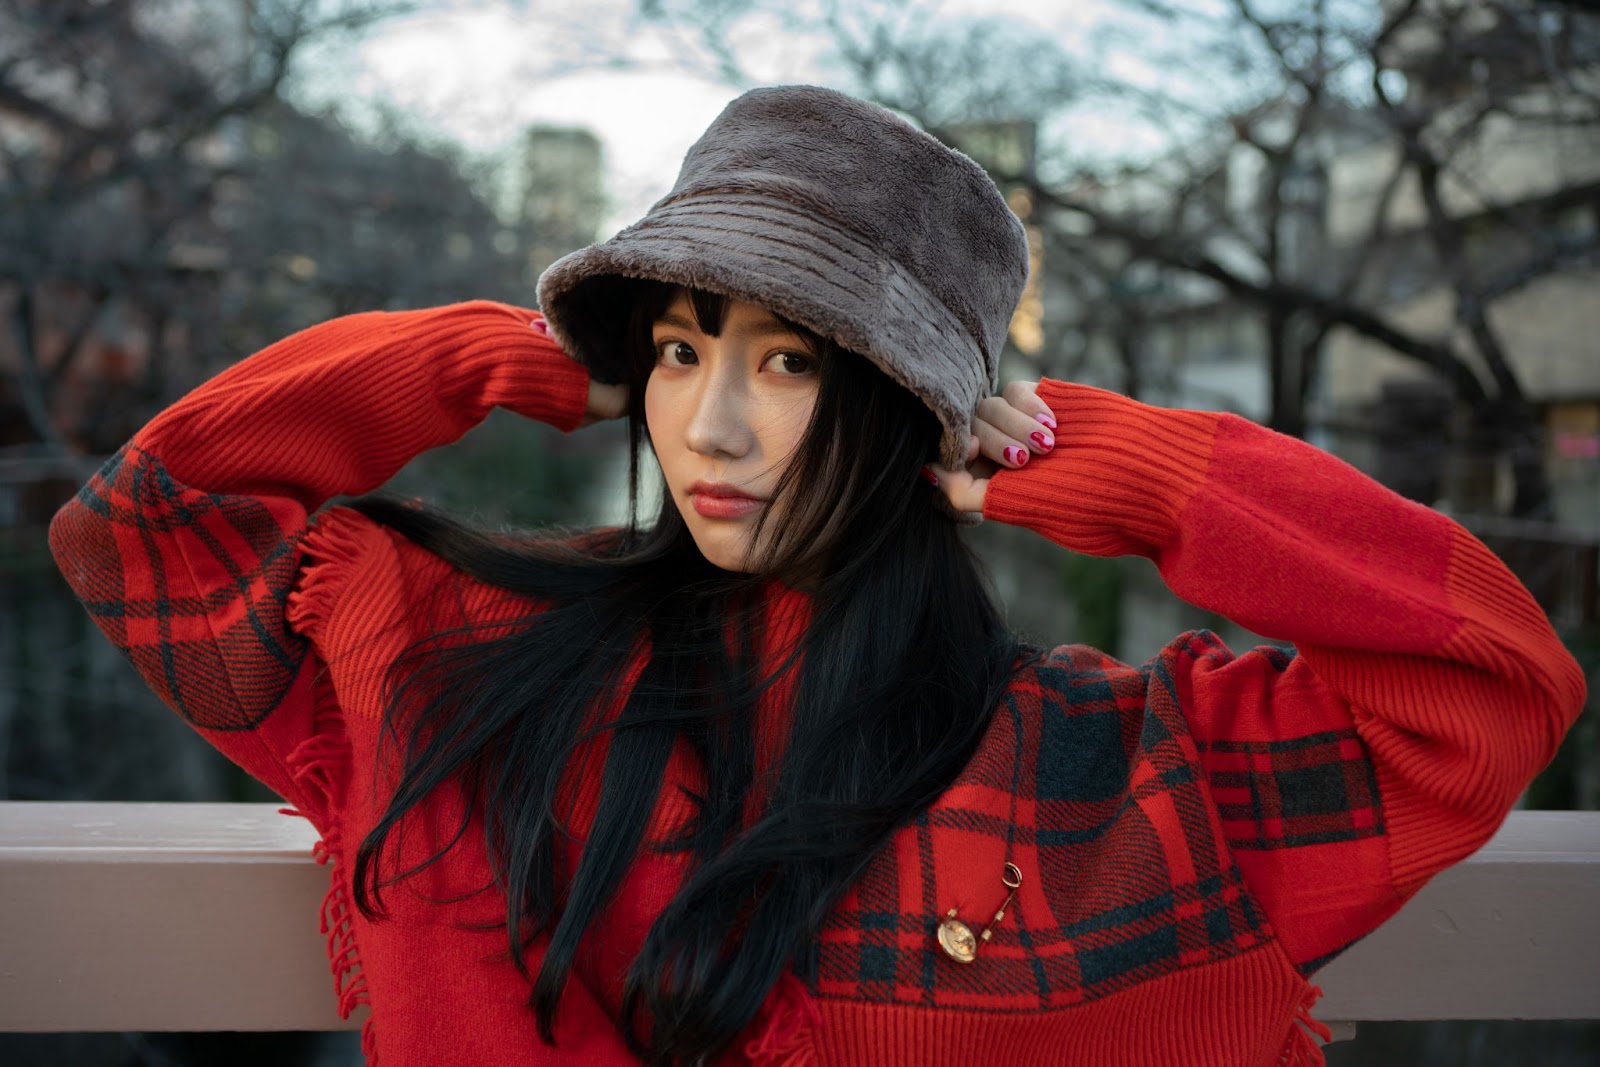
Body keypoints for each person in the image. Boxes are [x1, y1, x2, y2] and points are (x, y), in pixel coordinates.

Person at [49, 85, 1584, 1067]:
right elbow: (148, 522)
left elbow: (1488, 679)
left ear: (923, 412)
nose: (709, 425)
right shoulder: (471, 655)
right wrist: (516, 360)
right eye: (676, 350)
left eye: (789, 361)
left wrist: (1092, 458)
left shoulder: (1111, 770)